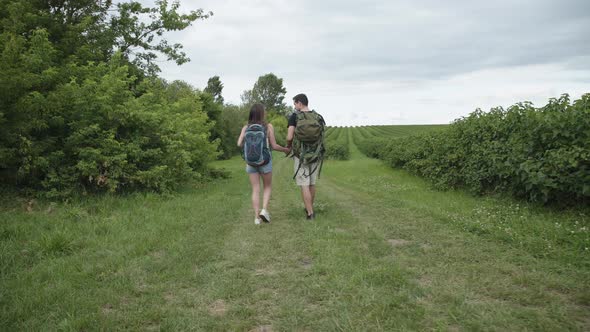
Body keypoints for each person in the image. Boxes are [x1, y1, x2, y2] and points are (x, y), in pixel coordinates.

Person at [238, 104, 290, 225]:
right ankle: (264, 210)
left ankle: (256, 218)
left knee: (255, 189)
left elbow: (239, 143)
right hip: (265, 161)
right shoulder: (268, 127)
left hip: (250, 162)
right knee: (267, 186)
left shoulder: (246, 127)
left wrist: (249, 145)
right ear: (262, 113)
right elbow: (274, 146)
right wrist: (286, 150)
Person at [286, 94, 326, 220]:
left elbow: (289, 137)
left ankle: (310, 213)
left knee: (304, 184)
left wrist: (288, 147)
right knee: (312, 183)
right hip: (315, 154)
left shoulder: (294, 117)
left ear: (300, 103)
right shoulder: (317, 116)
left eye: (295, 104)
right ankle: (310, 207)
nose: (295, 107)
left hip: (301, 155)